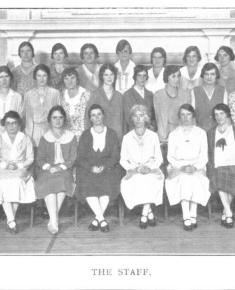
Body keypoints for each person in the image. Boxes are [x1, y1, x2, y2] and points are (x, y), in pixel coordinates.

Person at [76, 104, 121, 232]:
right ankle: (101, 219)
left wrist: (104, 166)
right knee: (87, 183)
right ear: (90, 118)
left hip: (108, 169)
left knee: (107, 183)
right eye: (93, 115)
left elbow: (115, 155)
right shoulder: (85, 135)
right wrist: (91, 168)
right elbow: (80, 157)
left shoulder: (111, 134)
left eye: (99, 114)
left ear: (103, 115)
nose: (96, 117)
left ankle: (97, 220)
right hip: (89, 169)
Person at [165, 104, 210, 231]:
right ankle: (186, 215)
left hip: (197, 166)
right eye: (182, 115)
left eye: (188, 114)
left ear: (193, 116)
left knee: (195, 179)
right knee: (184, 179)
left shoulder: (201, 133)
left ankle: (193, 213)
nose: (185, 118)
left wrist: (195, 167)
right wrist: (182, 167)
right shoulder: (173, 134)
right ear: (179, 117)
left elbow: (204, 155)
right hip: (178, 166)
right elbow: (170, 156)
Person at [120, 104, 164, 229]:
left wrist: (149, 168)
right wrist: (136, 169)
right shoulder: (127, 138)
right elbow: (123, 160)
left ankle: (144, 216)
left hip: (151, 170)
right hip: (134, 170)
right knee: (136, 181)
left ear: (146, 118)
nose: (139, 119)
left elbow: (159, 158)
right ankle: (149, 213)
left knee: (150, 180)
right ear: (131, 119)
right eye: (135, 116)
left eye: (141, 115)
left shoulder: (153, 136)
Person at [35, 106, 77, 234]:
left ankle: (53, 220)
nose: (57, 121)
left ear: (64, 119)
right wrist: (50, 167)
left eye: (60, 117)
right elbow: (40, 159)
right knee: (50, 184)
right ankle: (54, 220)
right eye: (54, 118)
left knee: (62, 181)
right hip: (47, 170)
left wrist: (61, 167)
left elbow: (73, 157)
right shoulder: (45, 137)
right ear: (49, 120)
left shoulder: (71, 136)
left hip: (65, 169)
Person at [0, 111, 36, 233]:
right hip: (3, 169)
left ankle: (10, 219)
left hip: (20, 169)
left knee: (16, 182)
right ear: (4, 124)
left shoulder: (25, 138)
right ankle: (11, 220)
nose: (11, 126)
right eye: (8, 123)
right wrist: (5, 165)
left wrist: (18, 165)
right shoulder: (0, 137)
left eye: (14, 123)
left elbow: (30, 158)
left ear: (19, 124)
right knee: (3, 183)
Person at [207, 103, 235, 228]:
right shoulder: (211, 132)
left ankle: (225, 211)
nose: (219, 117)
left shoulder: (233, 129)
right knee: (218, 175)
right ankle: (228, 212)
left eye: (221, 114)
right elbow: (208, 151)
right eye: (216, 114)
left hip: (233, 164)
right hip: (217, 165)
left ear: (227, 114)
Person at [24, 64, 61, 147]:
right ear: (35, 77)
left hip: (50, 131)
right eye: (39, 76)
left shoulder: (55, 93)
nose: (41, 79)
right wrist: (28, 136)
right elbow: (27, 117)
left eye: (44, 75)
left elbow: (58, 114)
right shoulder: (28, 94)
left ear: (48, 77)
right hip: (33, 133)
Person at [86, 63, 124, 141]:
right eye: (106, 75)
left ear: (115, 76)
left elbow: (123, 121)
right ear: (102, 77)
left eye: (111, 74)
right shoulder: (95, 95)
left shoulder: (119, 96)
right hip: (99, 138)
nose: (109, 77)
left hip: (117, 139)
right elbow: (87, 118)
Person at [154, 65, 191, 144]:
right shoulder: (158, 95)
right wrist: (164, 138)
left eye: (178, 76)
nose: (176, 79)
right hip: (164, 137)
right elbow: (159, 119)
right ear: (167, 77)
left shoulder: (185, 94)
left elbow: (188, 118)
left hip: (182, 135)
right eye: (173, 76)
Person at [191, 62, 227, 131]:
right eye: (206, 74)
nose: (209, 77)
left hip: (218, 132)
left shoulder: (223, 91)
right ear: (202, 75)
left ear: (216, 76)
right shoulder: (194, 91)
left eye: (212, 74)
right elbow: (192, 116)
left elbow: (226, 115)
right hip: (200, 132)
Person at [123, 64, 156, 133]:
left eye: (144, 76)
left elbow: (153, 117)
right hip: (133, 132)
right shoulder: (127, 95)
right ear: (135, 77)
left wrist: (151, 128)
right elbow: (128, 118)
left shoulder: (150, 94)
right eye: (139, 75)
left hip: (148, 132)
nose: (142, 78)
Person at [61, 67, 90, 141]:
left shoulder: (86, 95)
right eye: (66, 78)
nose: (69, 81)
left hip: (83, 137)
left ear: (77, 79)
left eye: (72, 78)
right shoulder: (61, 95)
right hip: (65, 137)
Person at [0, 66, 23, 132]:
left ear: (11, 78)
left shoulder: (17, 97)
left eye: (6, 76)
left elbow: (20, 118)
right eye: (1, 77)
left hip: (12, 134)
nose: (4, 80)